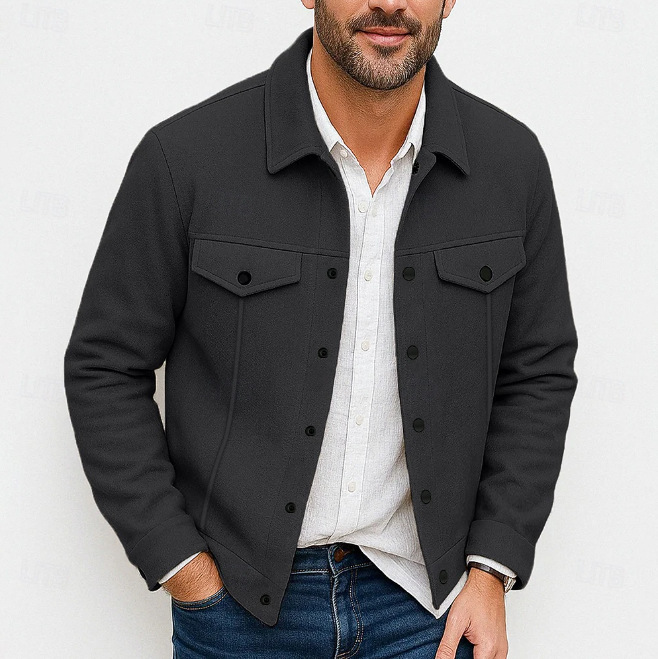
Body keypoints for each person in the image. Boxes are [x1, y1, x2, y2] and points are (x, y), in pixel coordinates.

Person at [64, 1, 578, 657]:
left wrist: (492, 567)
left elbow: (537, 374)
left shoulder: (512, 166)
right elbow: (105, 367)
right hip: (238, 611)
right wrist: (182, 567)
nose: (389, 3)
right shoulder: (186, 157)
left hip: (429, 613)